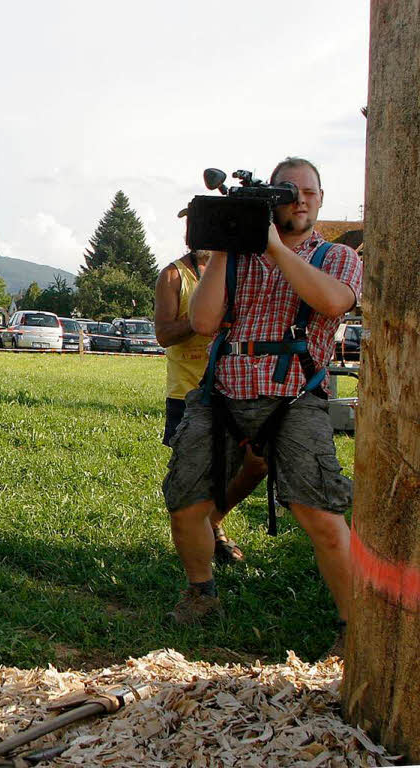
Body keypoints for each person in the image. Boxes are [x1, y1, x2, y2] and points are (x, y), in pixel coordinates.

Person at [163, 158, 361, 656]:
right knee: (186, 502)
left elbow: (334, 303)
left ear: (320, 197)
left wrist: (271, 244)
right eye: (287, 192)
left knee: (320, 512)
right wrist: (232, 245)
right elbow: (204, 322)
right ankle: (201, 594)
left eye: (309, 192)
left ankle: (353, 626)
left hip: (294, 394)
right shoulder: (236, 260)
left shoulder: (334, 256)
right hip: (223, 390)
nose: (300, 199)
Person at [155, 249, 268, 563]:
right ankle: (206, 543)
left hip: (239, 387)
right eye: (195, 223)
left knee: (257, 463)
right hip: (188, 392)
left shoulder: (245, 267)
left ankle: (213, 520)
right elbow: (163, 335)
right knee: (199, 477)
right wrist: (202, 317)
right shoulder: (174, 275)